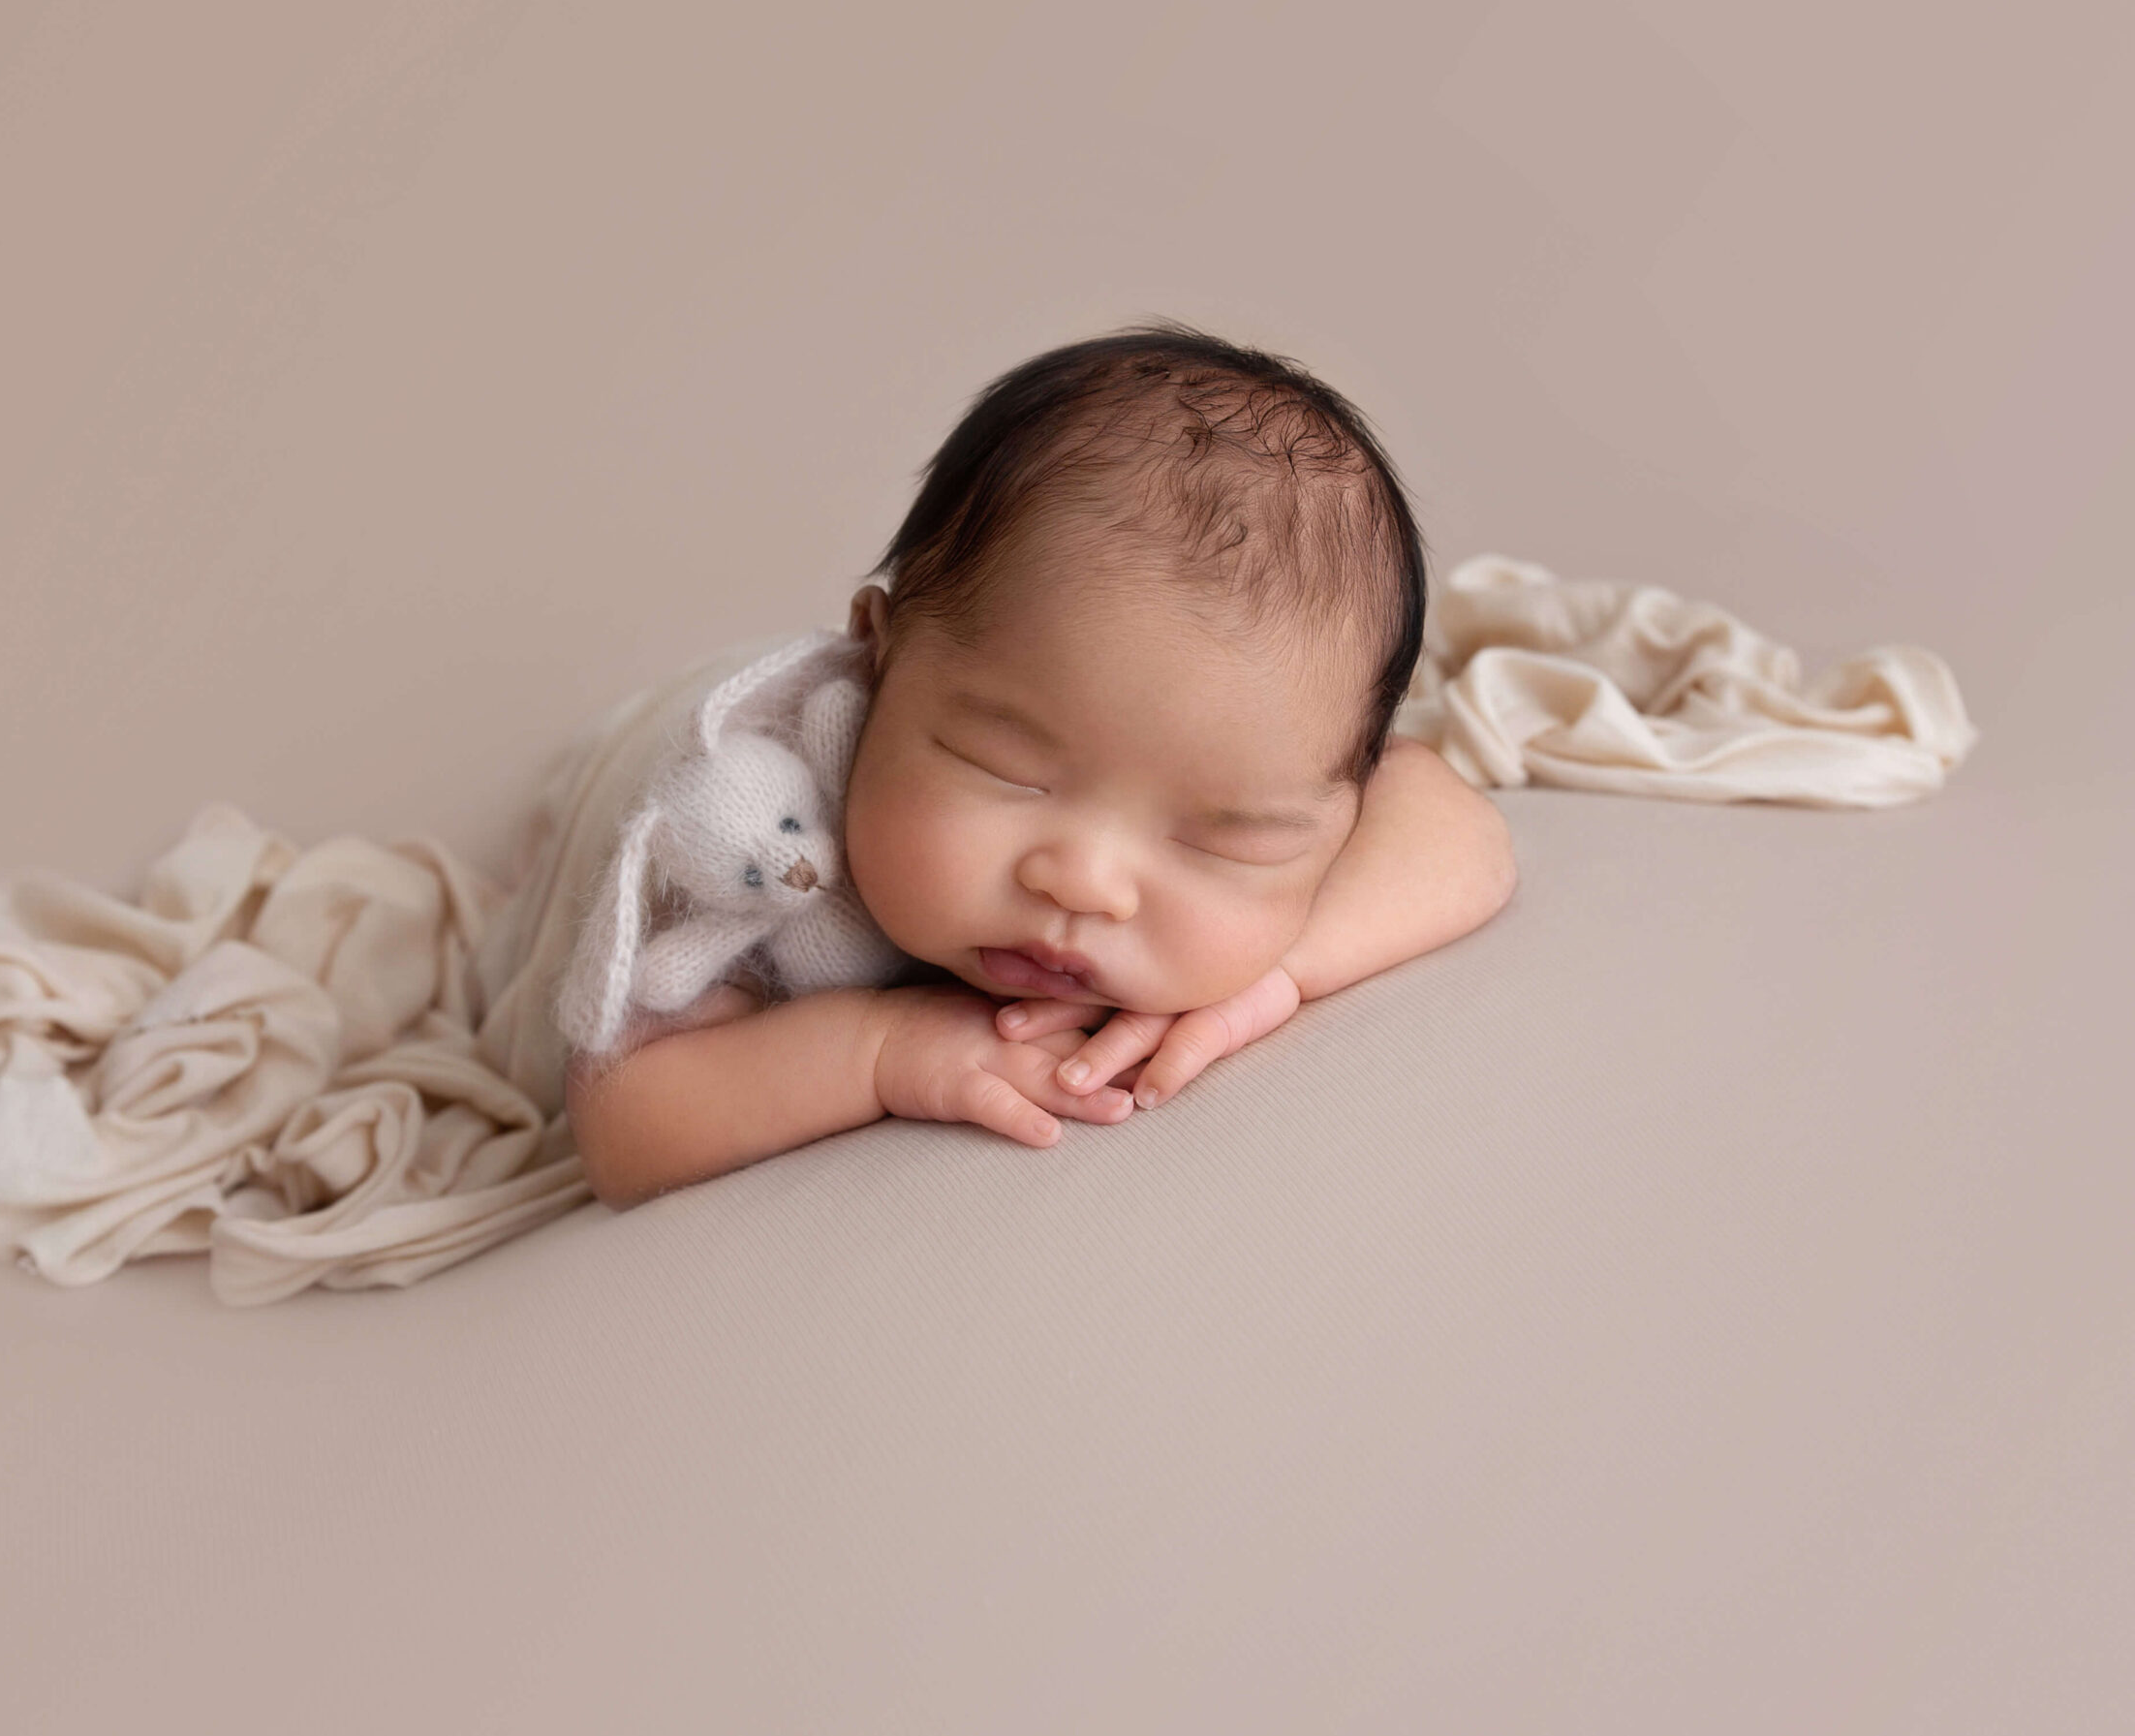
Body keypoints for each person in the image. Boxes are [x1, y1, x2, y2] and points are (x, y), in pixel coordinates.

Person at [565, 322, 1517, 1206]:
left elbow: (1460, 829)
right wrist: (878, 1046)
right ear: (880, 659)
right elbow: (622, 1120)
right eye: (1008, 770)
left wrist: (1277, 973)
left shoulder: (1269, 757)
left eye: (1222, 840)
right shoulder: (754, 812)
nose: (1084, 884)